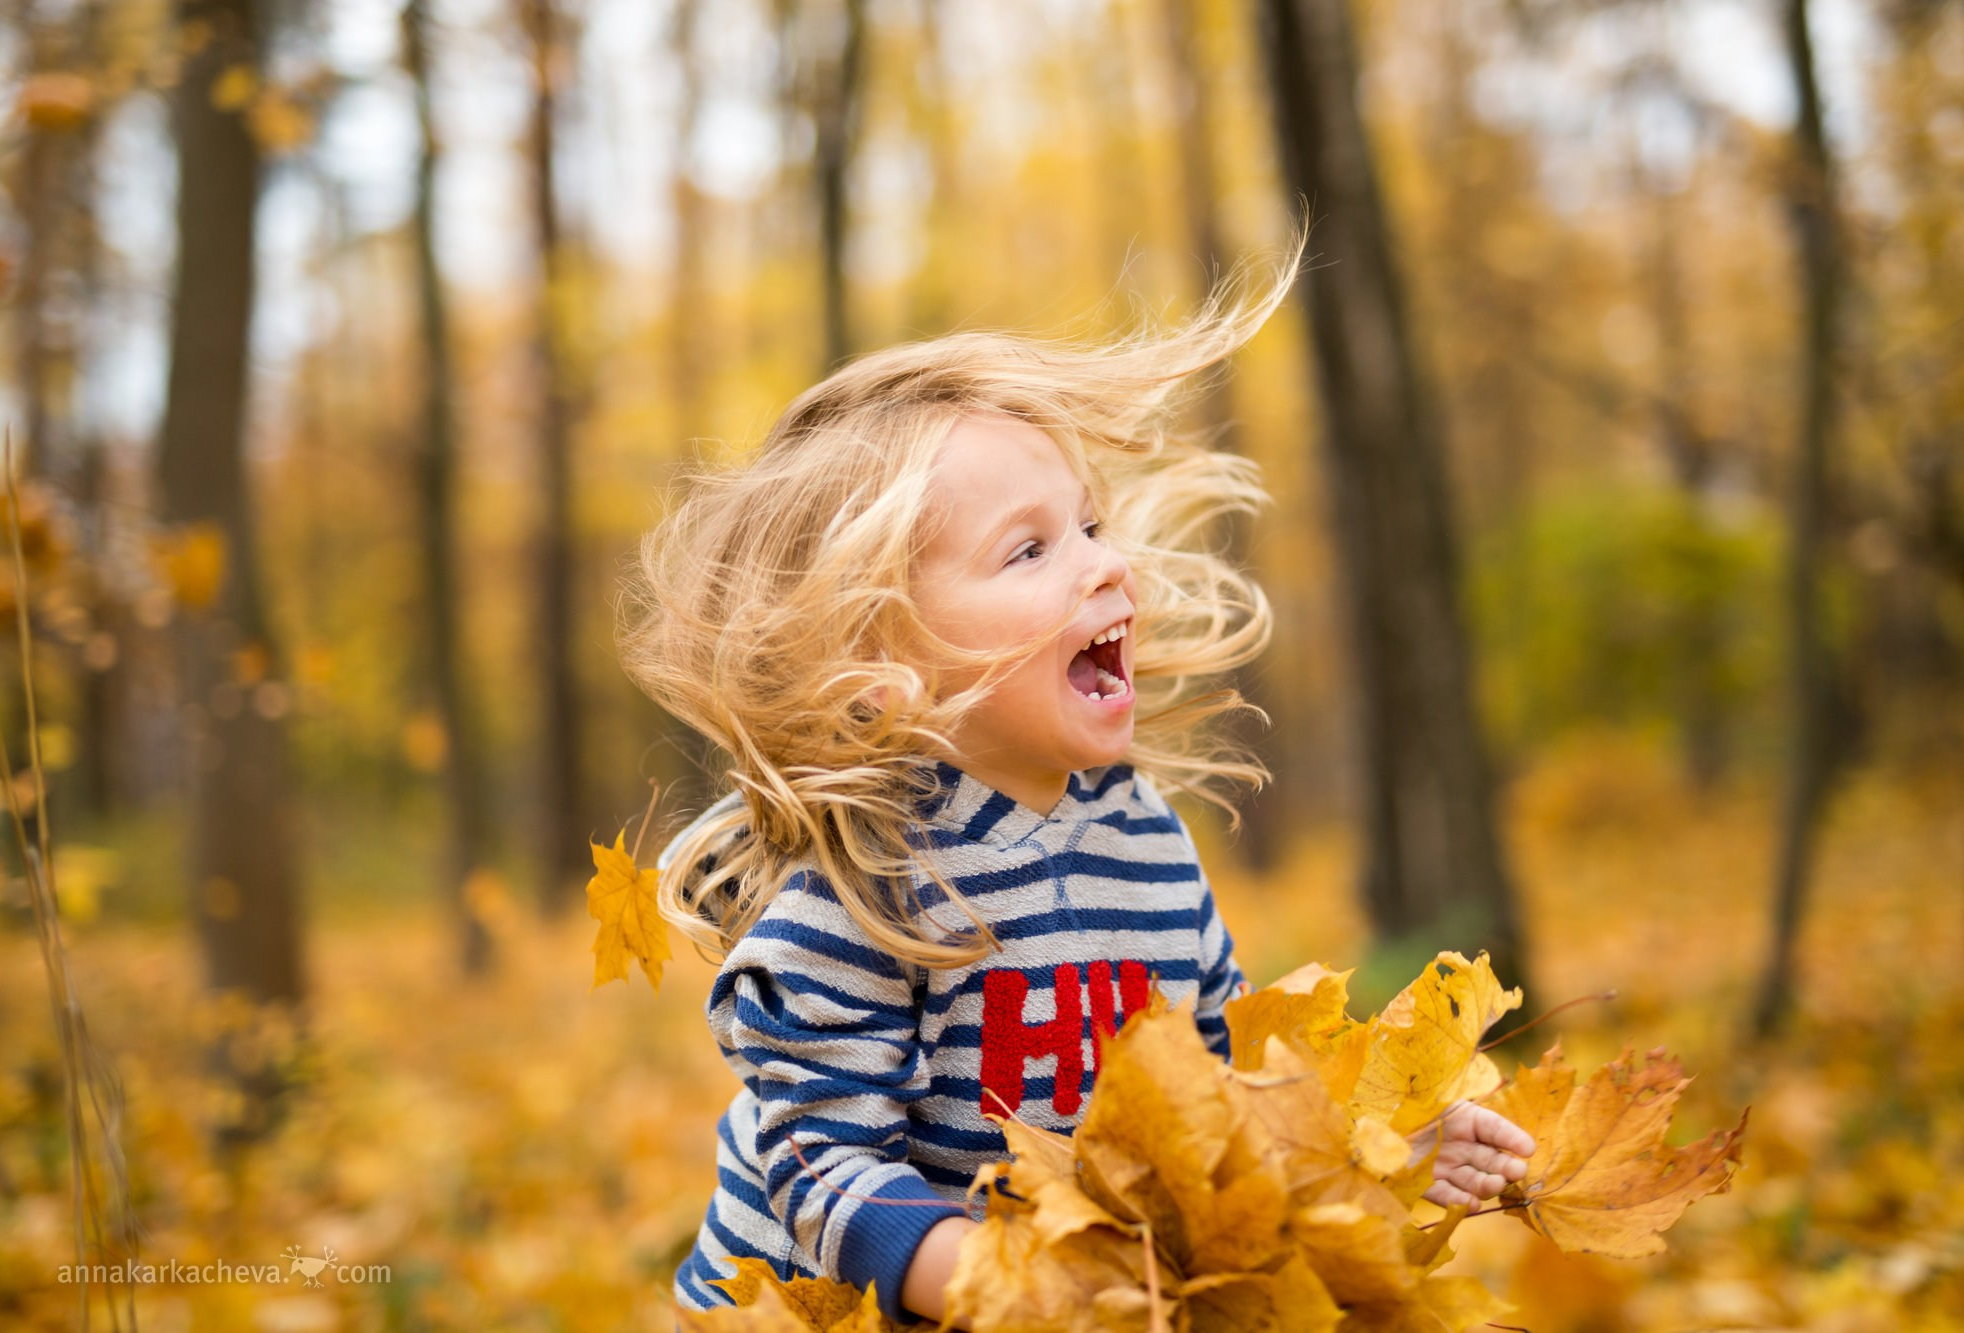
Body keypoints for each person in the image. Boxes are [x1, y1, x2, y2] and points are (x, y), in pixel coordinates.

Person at [616, 238, 1534, 1328]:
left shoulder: (1143, 842)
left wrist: (1379, 1149)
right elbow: (817, 1169)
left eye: (1089, 526)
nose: (1104, 563)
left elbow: (1210, 1114)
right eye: (1027, 551)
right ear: (886, 661)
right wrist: (1006, 1282)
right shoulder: (857, 881)